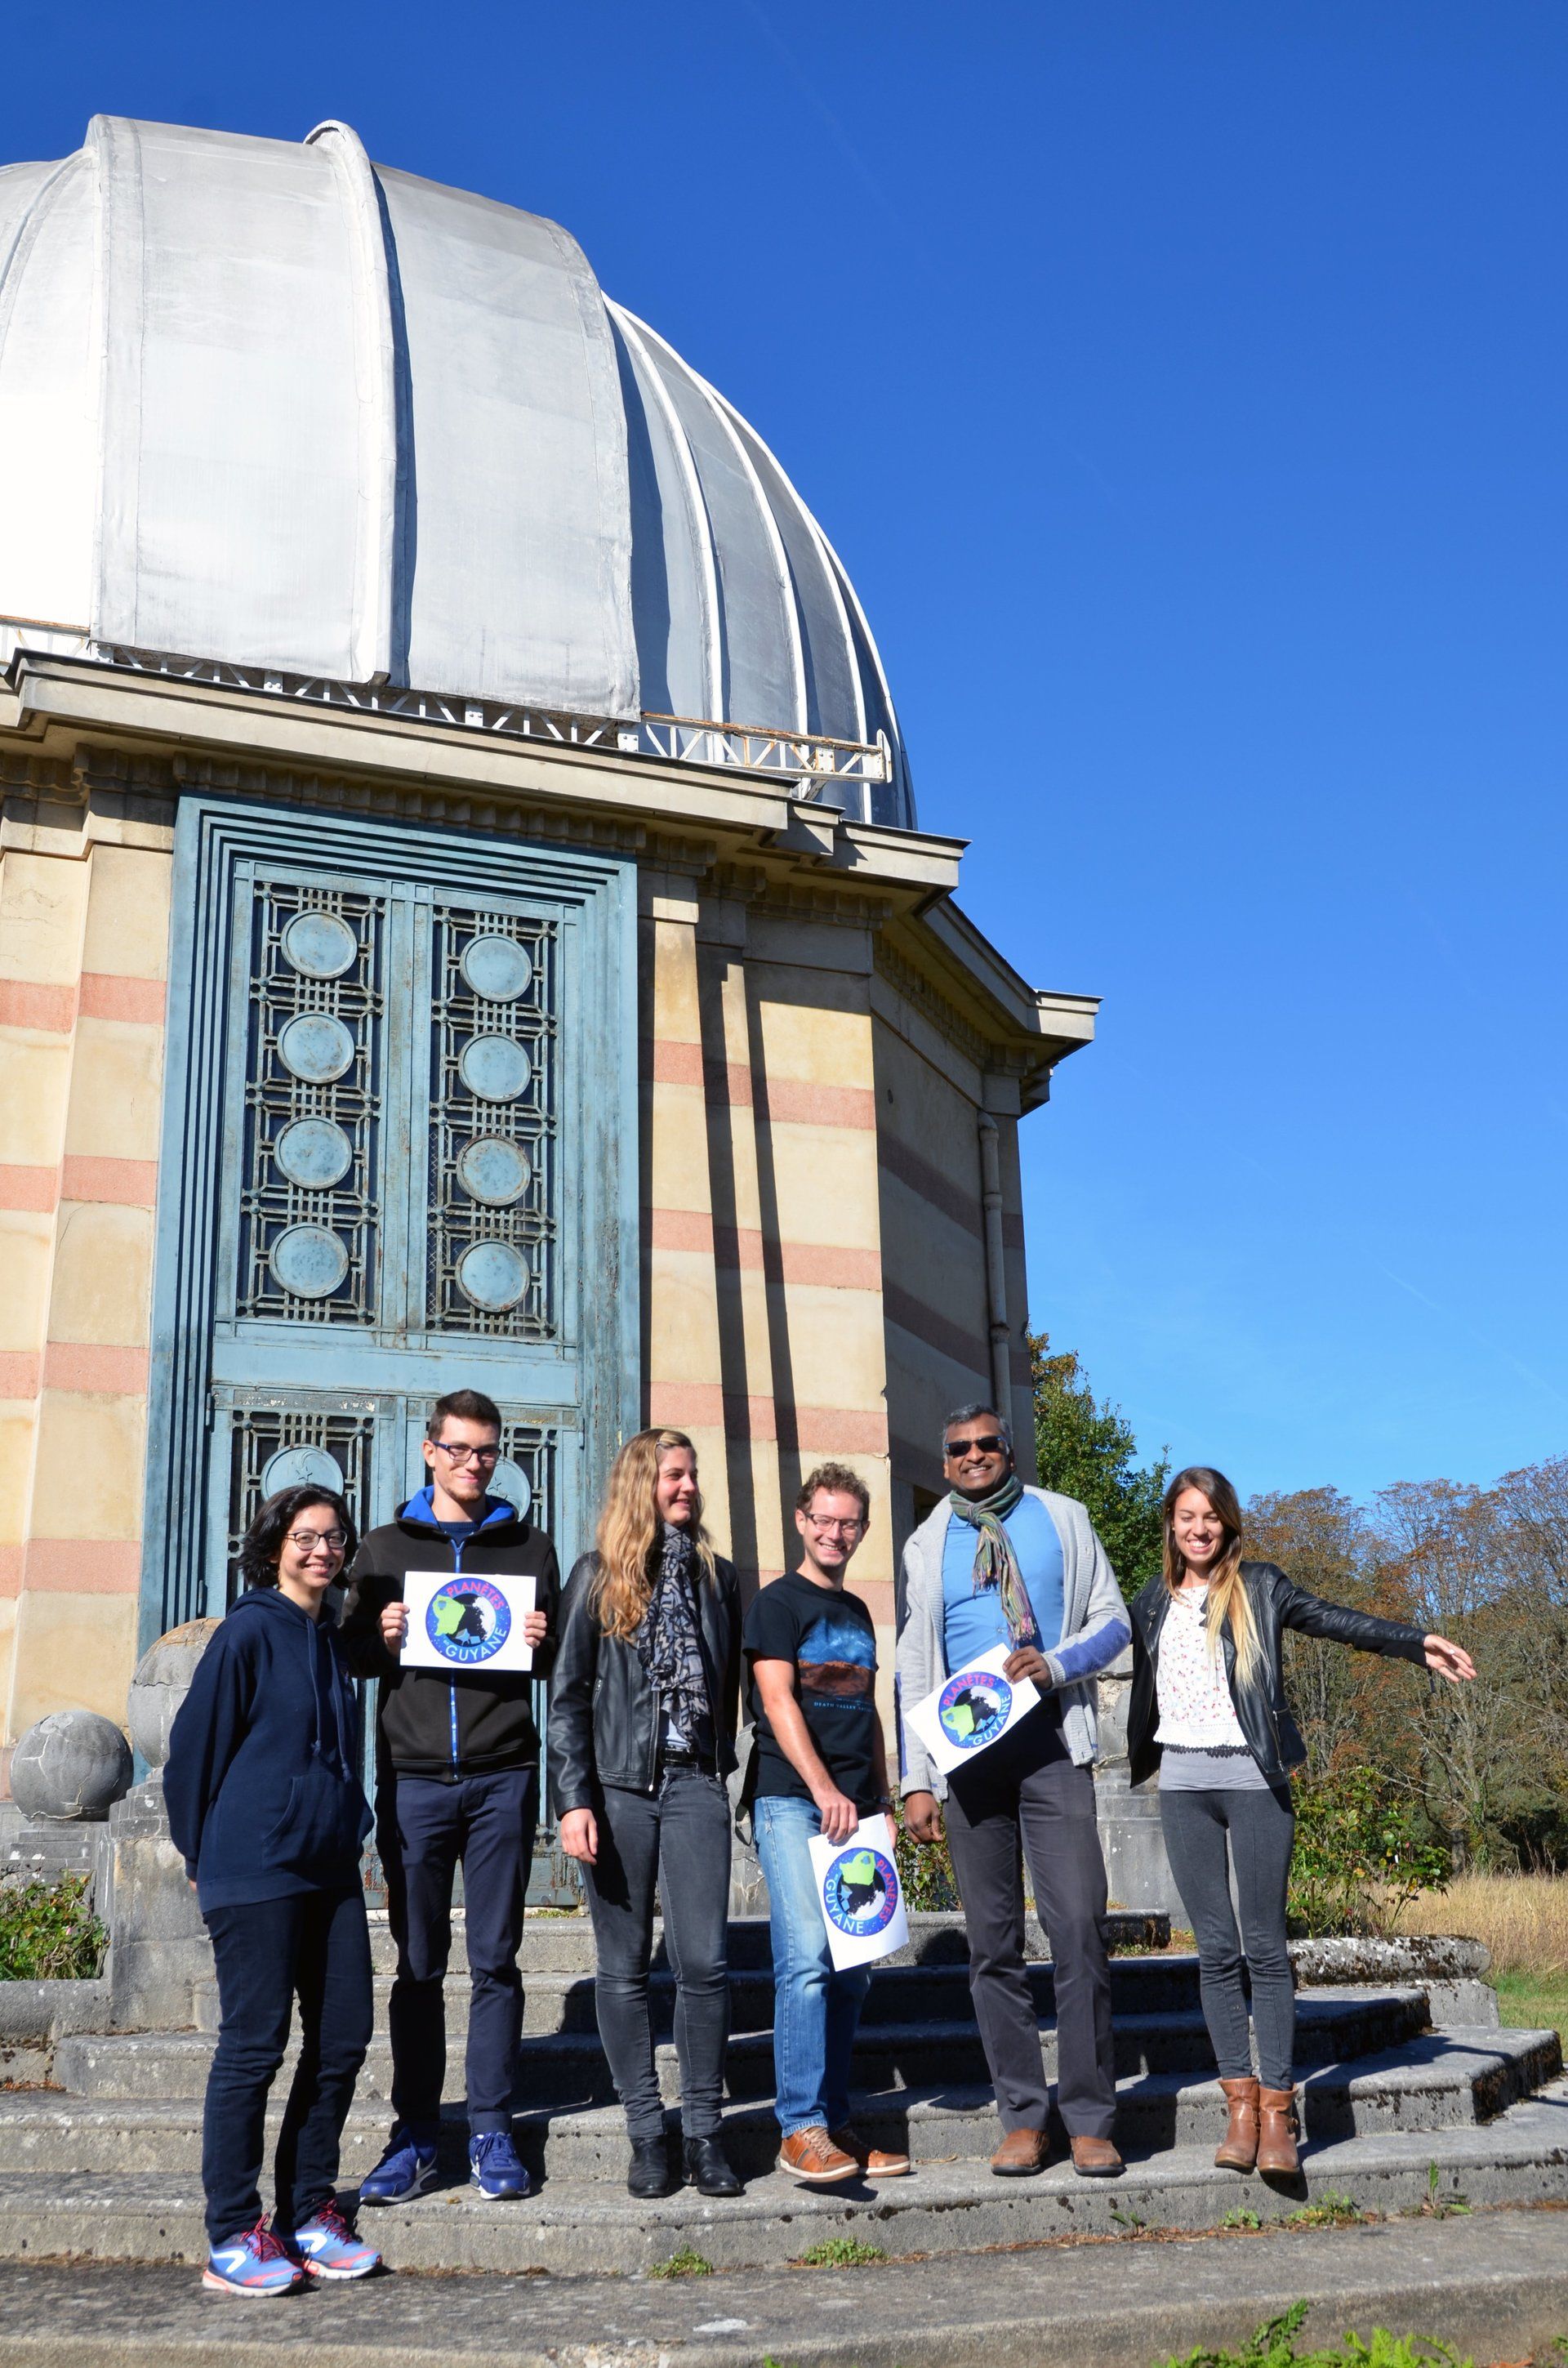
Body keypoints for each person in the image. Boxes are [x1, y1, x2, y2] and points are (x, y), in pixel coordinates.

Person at [1127, 1465, 1476, 2178]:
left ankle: (1280, 2111)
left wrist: (1414, 1641)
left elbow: (1335, 1619)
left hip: (1255, 1782)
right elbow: (1095, 1648)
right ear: (1170, 1523)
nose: (1199, 1528)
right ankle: (1240, 2108)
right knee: (1215, 1950)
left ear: (1228, 1523)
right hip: (1183, 1786)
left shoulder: (1259, 1586)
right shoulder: (1150, 1602)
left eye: (1211, 1517)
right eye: (1187, 1516)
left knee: (1263, 1946)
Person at [898, 1406, 1130, 2179]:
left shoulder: (1063, 1518)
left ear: (1008, 1449)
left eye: (986, 1444)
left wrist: (1056, 1664)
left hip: (1052, 1746)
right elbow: (913, 1666)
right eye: (958, 1448)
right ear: (945, 1461)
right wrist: (916, 1778)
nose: (973, 1455)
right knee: (992, 1946)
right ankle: (1024, 2118)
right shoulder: (927, 1541)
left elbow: (1115, 1621)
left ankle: (1090, 2118)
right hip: (966, 1759)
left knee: (1079, 1927)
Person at [340, 1389, 559, 2205]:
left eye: (487, 1450)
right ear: (430, 1450)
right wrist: (380, 1635)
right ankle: (416, 2133)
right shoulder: (384, 1547)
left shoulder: (530, 1547)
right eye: (459, 1448)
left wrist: (541, 1644)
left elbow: (551, 1664)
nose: (474, 1463)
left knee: (496, 1958)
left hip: (504, 1775)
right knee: (418, 1963)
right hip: (415, 1779)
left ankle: (493, 2127)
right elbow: (354, 1655)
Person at [164, 1486, 380, 2297]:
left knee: (343, 2036)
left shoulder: (330, 1639)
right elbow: (192, 1752)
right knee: (255, 2045)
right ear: (273, 1546)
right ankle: (232, 2233)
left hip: (328, 1868)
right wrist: (199, 1850)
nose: (322, 1549)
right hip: (254, 1866)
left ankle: (308, 2211)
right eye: (305, 1536)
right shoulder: (248, 1631)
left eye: (334, 1537)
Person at [549, 1429, 742, 2200]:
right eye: (672, 1474)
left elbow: (731, 1688)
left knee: (704, 1962)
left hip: (695, 1783)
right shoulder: (596, 1576)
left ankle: (704, 2131)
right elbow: (567, 1699)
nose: (687, 1485)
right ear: (641, 1484)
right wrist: (573, 1799)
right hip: (618, 1788)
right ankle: (646, 2134)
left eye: (692, 1473)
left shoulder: (717, 1579)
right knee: (623, 1965)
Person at [745, 1462, 907, 2187]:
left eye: (848, 1523)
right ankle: (799, 2128)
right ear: (801, 1520)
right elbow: (778, 1702)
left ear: (862, 1530)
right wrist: (823, 1788)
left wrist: (883, 1800)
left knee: (853, 1975)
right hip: (792, 1798)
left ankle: (835, 2124)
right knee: (807, 1959)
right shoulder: (777, 1603)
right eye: (824, 1519)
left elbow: (867, 1712)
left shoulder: (858, 1612)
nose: (835, 1533)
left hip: (857, 1808)